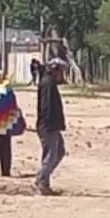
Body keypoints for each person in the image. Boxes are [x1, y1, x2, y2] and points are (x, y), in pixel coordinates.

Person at [35, 58, 67, 195]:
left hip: (51, 125)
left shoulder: (49, 82)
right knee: (51, 155)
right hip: (48, 125)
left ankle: (43, 179)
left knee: (59, 151)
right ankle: (42, 181)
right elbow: (47, 106)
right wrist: (50, 125)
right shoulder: (48, 83)